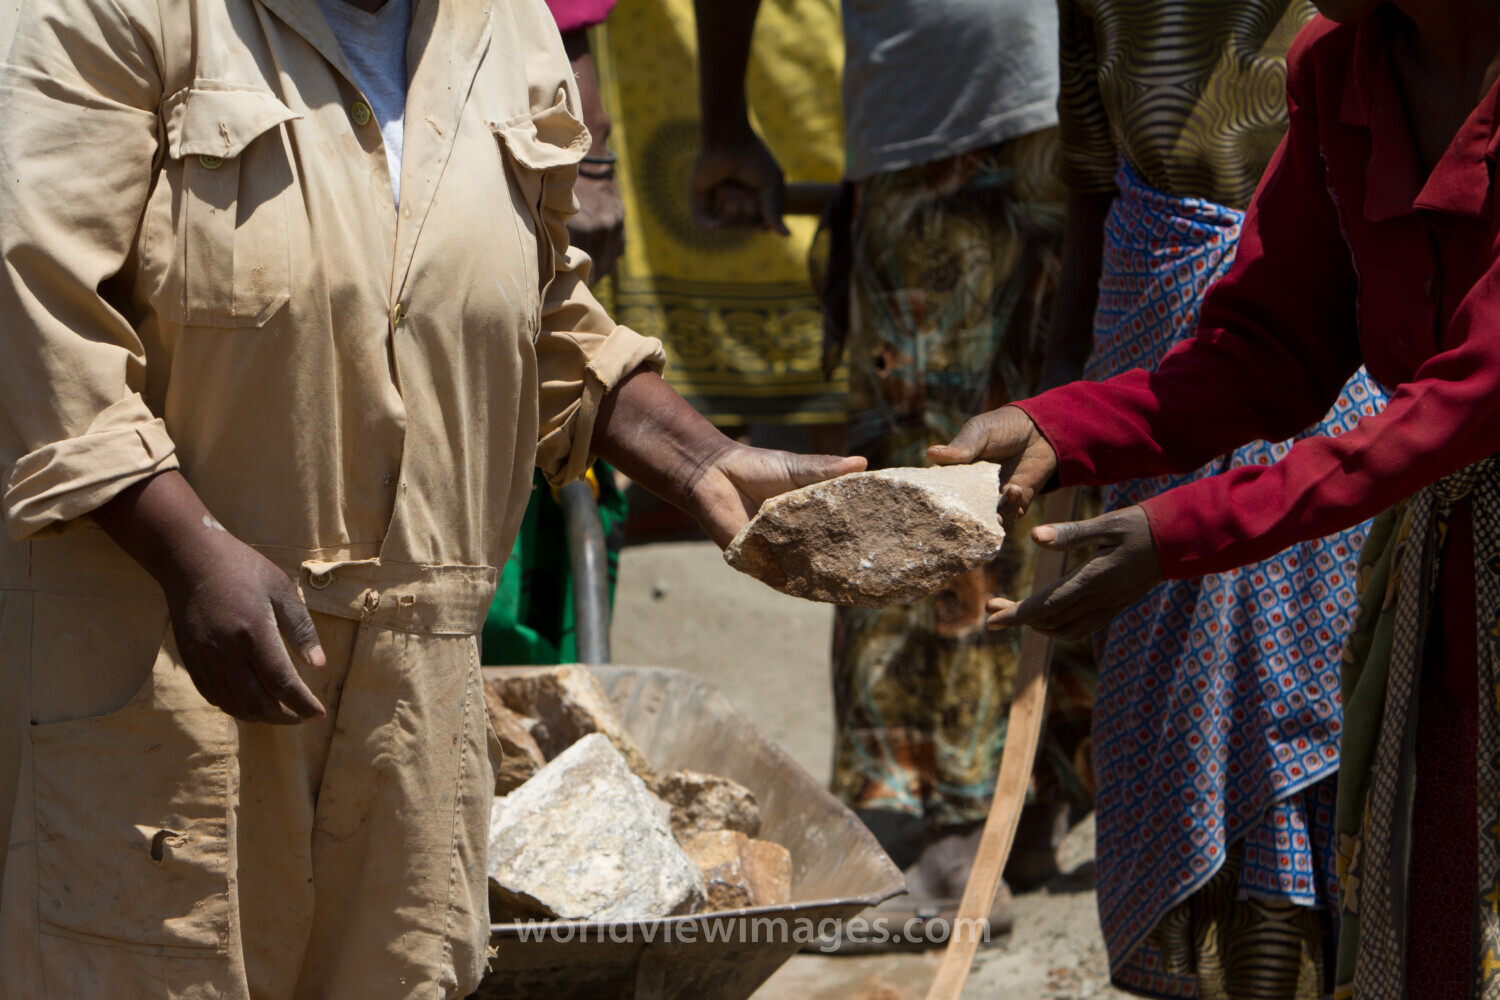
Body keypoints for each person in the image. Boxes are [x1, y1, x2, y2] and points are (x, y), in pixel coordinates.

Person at [0, 0, 861, 995]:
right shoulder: (113, 15)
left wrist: (701, 458)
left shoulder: (508, 28)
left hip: (411, 712)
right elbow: (36, 306)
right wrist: (186, 548)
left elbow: (534, 307)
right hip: (160, 679)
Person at [932, 1, 1500, 995]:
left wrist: (1176, 530)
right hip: (1448, 599)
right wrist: (1066, 428)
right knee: (1439, 927)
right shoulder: (1339, 65)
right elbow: (1270, 348)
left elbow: (1463, 401)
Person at [693, 0, 1095, 933]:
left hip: (1081, 115)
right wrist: (721, 122)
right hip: (936, 118)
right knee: (929, 476)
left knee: (1059, 448)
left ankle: (998, 807)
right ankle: (940, 811)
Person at [1042, 1, 1386, 994]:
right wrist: (1064, 392)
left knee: (1317, 707)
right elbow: (1089, 185)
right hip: (1151, 367)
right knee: (1174, 706)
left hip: (1344, 353)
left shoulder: (1367, 19)